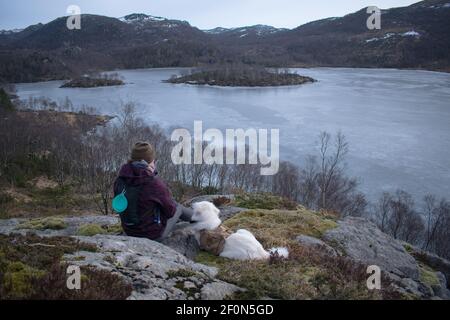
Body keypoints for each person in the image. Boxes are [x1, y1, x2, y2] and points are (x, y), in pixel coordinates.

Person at [113, 141, 193, 241]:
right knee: (178, 207)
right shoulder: (154, 183)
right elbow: (171, 212)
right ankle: (201, 218)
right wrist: (152, 174)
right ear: (150, 162)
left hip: (129, 231)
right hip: (153, 236)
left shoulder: (120, 180)